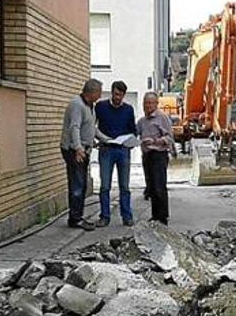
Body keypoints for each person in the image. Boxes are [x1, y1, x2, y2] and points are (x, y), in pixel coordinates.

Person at [60, 79, 102, 231]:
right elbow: (74, 127)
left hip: (84, 149)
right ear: (91, 93)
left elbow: (91, 127)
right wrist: (78, 148)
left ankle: (77, 216)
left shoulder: (90, 105)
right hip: (74, 151)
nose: (100, 96)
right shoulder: (77, 105)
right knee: (77, 185)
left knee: (82, 184)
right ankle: (75, 219)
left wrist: (105, 139)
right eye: (98, 93)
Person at [95, 81, 137, 227]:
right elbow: (92, 126)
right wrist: (100, 138)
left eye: (120, 95)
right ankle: (104, 216)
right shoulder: (101, 107)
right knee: (105, 185)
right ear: (111, 92)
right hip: (106, 149)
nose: (117, 97)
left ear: (124, 95)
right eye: (115, 94)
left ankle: (127, 216)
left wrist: (130, 142)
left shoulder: (128, 109)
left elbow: (133, 129)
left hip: (122, 150)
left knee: (124, 186)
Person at [137, 91, 174, 225]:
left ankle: (163, 217)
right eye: (146, 103)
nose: (148, 106)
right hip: (147, 155)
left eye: (151, 103)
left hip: (159, 155)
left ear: (156, 104)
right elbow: (135, 135)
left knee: (159, 186)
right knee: (151, 187)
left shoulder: (162, 118)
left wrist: (154, 141)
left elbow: (170, 138)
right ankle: (155, 215)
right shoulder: (141, 122)